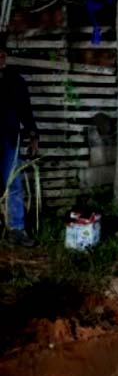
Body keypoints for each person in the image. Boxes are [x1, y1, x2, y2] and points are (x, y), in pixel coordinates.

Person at [0, 33, 39, 247]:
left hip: (9, 142)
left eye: (2, 54)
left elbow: (26, 112)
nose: (0, 58)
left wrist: (33, 135)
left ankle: (17, 229)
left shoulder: (15, 81)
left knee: (14, 185)